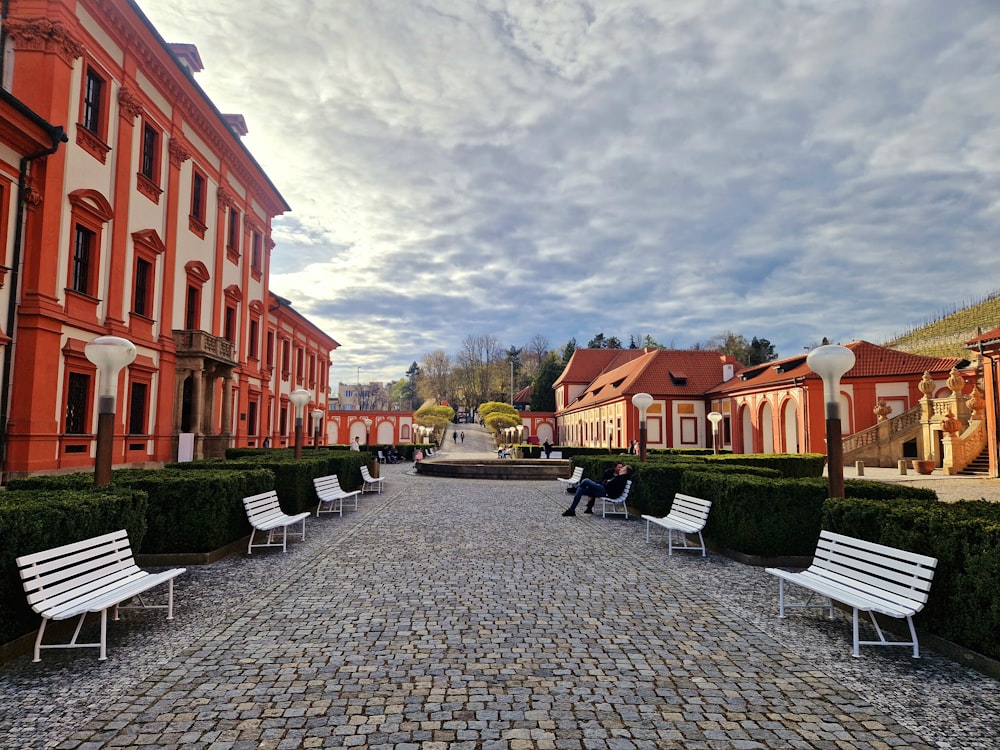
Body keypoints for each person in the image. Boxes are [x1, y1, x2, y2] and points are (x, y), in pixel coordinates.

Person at [562, 463, 632, 516]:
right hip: (603, 489)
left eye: (622, 468)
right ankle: (572, 510)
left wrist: (607, 482)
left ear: (625, 471)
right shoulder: (620, 477)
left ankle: (575, 489)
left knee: (586, 480)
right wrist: (606, 482)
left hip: (605, 492)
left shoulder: (621, 478)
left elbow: (609, 486)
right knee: (580, 490)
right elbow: (606, 483)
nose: (621, 469)